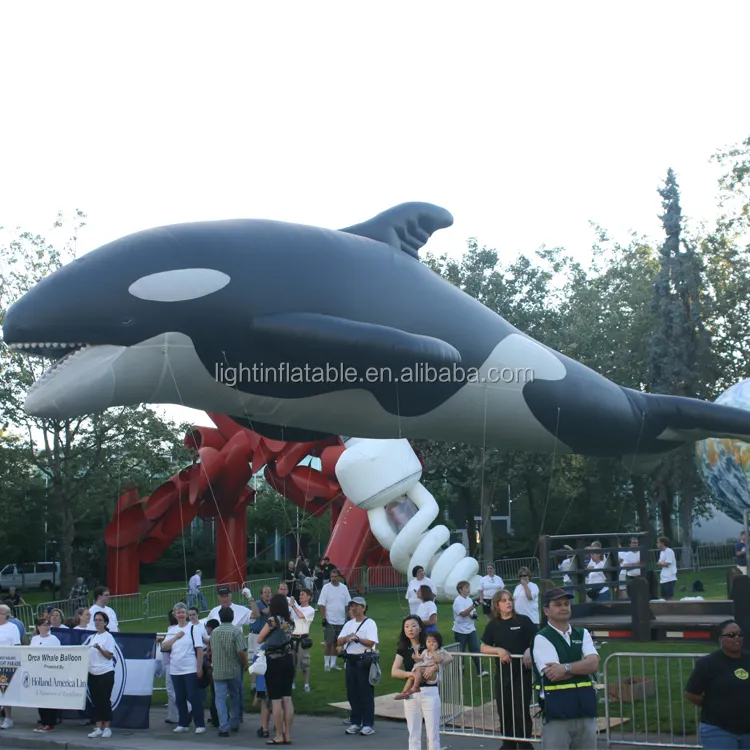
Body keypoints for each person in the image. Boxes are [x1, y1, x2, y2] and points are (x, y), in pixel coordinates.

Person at [531, 588, 599, 749]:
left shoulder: (582, 634)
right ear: (546, 610)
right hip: (557, 713)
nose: (563, 607)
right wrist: (583, 666)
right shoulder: (542, 638)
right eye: (558, 604)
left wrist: (566, 667)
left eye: (566, 604)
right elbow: (554, 675)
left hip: (585, 710)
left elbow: (594, 664)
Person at [481, 588, 537, 749]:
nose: (508, 603)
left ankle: (524, 742)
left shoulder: (523, 621)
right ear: (497, 605)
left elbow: (536, 639)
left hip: (522, 673)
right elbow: (483, 647)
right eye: (504, 601)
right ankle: (508, 742)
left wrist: (529, 650)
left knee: (521, 708)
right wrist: (498, 650)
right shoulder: (494, 625)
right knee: (504, 708)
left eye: (509, 600)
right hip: (503, 674)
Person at [685, 619, 750, 748]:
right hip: (718, 729)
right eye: (731, 635)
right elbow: (691, 693)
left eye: (739, 634)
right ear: (720, 639)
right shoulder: (708, 663)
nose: (737, 638)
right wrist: (713, 705)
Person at [391, 615, 441, 750]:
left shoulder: (429, 644)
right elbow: (394, 671)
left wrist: (433, 667)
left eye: (413, 626)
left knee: (433, 732)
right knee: (413, 732)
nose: (410, 629)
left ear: (420, 628)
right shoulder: (403, 649)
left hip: (430, 691)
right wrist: (411, 674)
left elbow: (445, 659)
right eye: (407, 627)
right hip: (411, 694)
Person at [160, 602, 206, 734]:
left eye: (182, 612)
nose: (180, 615)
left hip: (190, 667)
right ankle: (183, 722)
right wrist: (175, 637)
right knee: (179, 697)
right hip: (175, 668)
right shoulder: (171, 630)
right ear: (174, 615)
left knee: (193, 695)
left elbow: (199, 649)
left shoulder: (193, 629)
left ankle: (199, 723)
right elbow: (164, 647)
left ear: (186, 614)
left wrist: (199, 667)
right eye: (178, 612)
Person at [256, 593, 295, 745]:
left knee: (276, 700)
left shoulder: (272, 620)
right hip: (288, 660)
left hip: (274, 661)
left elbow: (259, 638)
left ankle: (278, 735)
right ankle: (288, 734)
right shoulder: (290, 622)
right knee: (287, 699)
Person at [338, 597, 379, 737]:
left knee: (365, 693)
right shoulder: (348, 624)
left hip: (364, 660)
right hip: (350, 660)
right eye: (352, 606)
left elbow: (372, 642)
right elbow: (339, 640)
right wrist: (346, 639)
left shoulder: (370, 623)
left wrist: (358, 638)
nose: (353, 609)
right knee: (352, 692)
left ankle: (368, 724)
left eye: (356, 606)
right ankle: (355, 721)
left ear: (363, 607)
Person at [210, 606, 247, 737]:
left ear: (220, 618)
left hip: (218, 670)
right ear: (232, 617)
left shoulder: (214, 632)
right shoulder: (236, 632)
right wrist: (245, 664)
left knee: (220, 699)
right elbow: (241, 651)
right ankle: (234, 722)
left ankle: (223, 727)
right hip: (233, 669)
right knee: (234, 696)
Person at [86, 610, 117, 739]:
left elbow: (109, 656)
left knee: (105, 700)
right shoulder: (93, 637)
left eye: (100, 620)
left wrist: (99, 648)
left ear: (105, 623)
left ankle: (107, 727)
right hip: (93, 672)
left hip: (105, 672)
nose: (97, 622)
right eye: (96, 620)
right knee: (96, 700)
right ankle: (98, 727)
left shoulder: (108, 637)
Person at [395, 631, 452, 700]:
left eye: (434, 642)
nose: (431, 644)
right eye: (429, 642)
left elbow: (438, 660)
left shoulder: (439, 652)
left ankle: (415, 687)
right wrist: (415, 657)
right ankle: (404, 692)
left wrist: (434, 652)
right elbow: (420, 658)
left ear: (439, 643)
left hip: (431, 672)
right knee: (411, 677)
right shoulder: (425, 651)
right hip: (423, 669)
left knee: (418, 669)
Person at [30, 616, 61, 732]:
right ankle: (43, 721)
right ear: (38, 627)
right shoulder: (35, 639)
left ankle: (50, 722)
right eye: (44, 625)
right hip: (37, 672)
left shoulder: (54, 639)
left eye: (48, 625)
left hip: (49, 671)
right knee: (39, 697)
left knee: (48, 697)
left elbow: (58, 655)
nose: (47, 627)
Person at [452, 580, 487, 677]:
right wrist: (474, 606)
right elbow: (462, 614)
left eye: (468, 587)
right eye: (466, 588)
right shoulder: (457, 601)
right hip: (460, 630)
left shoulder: (469, 599)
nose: (468, 589)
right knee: (461, 651)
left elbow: (471, 613)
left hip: (471, 629)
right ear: (460, 590)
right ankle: (460, 670)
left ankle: (481, 670)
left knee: (475, 649)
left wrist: (474, 615)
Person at [318, 568, 350, 672]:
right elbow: (322, 604)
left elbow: (347, 604)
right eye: (332, 577)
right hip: (329, 619)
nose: (334, 579)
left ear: (339, 577)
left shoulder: (344, 588)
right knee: (328, 642)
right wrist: (324, 618)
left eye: (335, 577)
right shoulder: (326, 588)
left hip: (341, 620)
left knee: (338, 643)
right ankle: (326, 664)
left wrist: (347, 616)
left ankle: (333, 664)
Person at [0, 603, 21, 729]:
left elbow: (16, 646)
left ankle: (8, 718)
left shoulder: (12, 627)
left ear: (6, 616)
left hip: (6, 664)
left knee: (4, 692)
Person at [290, 587, 315, 692]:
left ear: (309, 597)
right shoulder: (295, 608)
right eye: (300, 594)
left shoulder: (310, 609)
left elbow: (300, 616)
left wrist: (293, 605)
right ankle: (292, 683)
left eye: (303, 594)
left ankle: (306, 684)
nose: (300, 596)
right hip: (292, 638)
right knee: (291, 663)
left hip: (303, 639)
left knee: (305, 663)